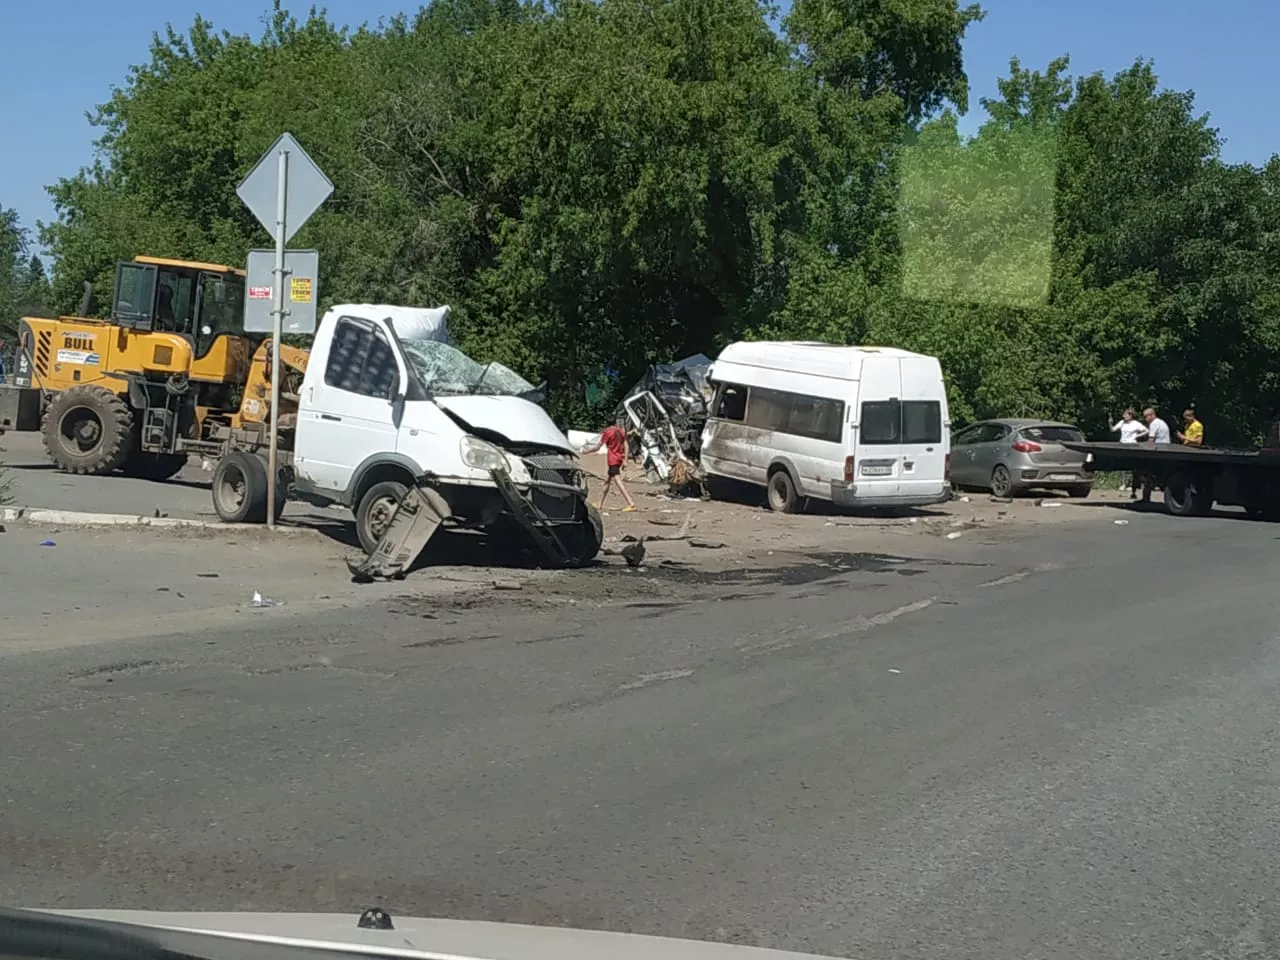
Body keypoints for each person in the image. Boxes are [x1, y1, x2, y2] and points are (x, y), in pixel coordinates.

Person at [595, 423, 637, 512]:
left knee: (618, 481)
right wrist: (625, 460)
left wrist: (585, 451)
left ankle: (631, 503)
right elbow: (626, 445)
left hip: (612, 460)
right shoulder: (620, 431)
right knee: (607, 481)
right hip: (619, 458)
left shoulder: (607, 432)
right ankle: (600, 503)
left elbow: (597, 447)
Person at [1109, 408, 1148, 497]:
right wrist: (1110, 423)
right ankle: (1123, 483)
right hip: (1123, 445)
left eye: (1125, 414)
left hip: (1132, 446)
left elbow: (1146, 431)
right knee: (1123, 465)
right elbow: (1113, 430)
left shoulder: (1136, 424)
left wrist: (1137, 436)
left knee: (1133, 466)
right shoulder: (1122, 422)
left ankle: (1132, 486)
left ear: (1130, 416)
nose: (1123, 416)